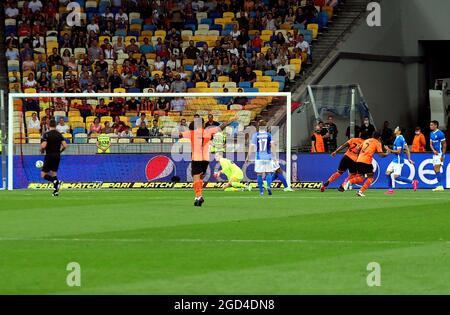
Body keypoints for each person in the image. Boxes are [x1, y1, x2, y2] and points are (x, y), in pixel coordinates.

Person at [179, 116, 237, 206]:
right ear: (202, 124)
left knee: (196, 177)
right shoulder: (208, 131)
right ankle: (197, 196)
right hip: (206, 158)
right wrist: (231, 121)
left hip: (196, 157)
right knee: (200, 177)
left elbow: (179, 135)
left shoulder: (191, 133)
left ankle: (199, 196)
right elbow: (222, 126)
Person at [348, 132, 389, 197]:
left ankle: (349, 182)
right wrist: (387, 153)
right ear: (379, 138)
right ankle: (359, 190)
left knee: (361, 177)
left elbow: (358, 149)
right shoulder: (377, 142)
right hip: (366, 161)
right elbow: (381, 155)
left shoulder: (366, 140)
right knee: (371, 177)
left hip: (359, 160)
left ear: (372, 136)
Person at [384, 127, 418, 194]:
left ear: (399, 131)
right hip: (395, 160)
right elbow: (407, 149)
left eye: (396, 128)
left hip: (398, 160)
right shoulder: (401, 138)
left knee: (396, 177)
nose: (395, 129)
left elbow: (399, 152)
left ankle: (413, 182)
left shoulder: (399, 139)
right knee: (387, 173)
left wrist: (389, 150)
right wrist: (409, 159)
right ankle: (390, 190)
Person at [245, 120, 275, 196]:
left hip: (259, 157)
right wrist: (274, 156)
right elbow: (273, 145)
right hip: (268, 157)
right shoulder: (269, 135)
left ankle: (261, 192)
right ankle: (268, 186)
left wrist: (248, 157)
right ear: (265, 127)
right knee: (268, 173)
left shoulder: (256, 135)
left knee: (259, 174)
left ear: (258, 126)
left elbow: (251, 147)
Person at [40, 119, 67, 197]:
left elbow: (44, 145)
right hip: (57, 156)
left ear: (48, 125)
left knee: (43, 174)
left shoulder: (46, 134)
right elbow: (65, 145)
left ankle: (55, 181)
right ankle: (55, 191)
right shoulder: (59, 134)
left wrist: (41, 149)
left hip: (49, 155)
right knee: (54, 173)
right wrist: (60, 151)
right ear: (55, 125)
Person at [429, 120, 447, 191]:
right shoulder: (431, 133)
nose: (430, 126)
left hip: (439, 154)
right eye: (430, 125)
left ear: (436, 125)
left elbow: (444, 144)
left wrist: (442, 155)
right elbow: (430, 144)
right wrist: (433, 150)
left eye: (432, 125)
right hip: (434, 154)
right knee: (435, 169)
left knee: (437, 169)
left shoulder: (440, 134)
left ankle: (440, 186)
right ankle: (440, 185)